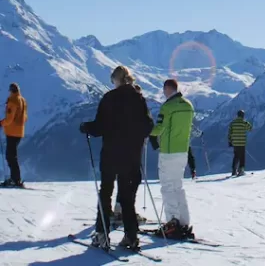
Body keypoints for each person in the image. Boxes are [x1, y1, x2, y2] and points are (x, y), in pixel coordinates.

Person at [79, 66, 153, 250]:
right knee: (127, 197)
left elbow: (99, 126)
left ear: (116, 79)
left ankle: (102, 234)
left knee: (106, 192)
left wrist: (86, 127)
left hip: (111, 153)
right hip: (131, 154)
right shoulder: (139, 98)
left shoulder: (109, 98)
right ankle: (131, 236)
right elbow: (147, 125)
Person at [150, 78, 195, 239]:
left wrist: (147, 130)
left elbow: (159, 129)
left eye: (164, 90)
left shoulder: (167, 107)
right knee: (178, 187)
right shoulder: (189, 106)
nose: (163, 93)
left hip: (168, 152)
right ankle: (184, 221)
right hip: (182, 151)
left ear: (167, 89)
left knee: (167, 187)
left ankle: (172, 222)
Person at [0, 83, 28, 188]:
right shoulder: (22, 100)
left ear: (11, 90)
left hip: (12, 132)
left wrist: (1, 123)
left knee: (10, 156)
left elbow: (9, 119)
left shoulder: (13, 101)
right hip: (19, 131)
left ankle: (15, 179)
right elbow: (25, 117)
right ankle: (15, 178)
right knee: (12, 156)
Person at [228, 110, 252, 176]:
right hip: (242, 143)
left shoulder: (232, 123)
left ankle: (234, 170)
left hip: (235, 143)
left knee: (236, 156)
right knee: (242, 157)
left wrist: (230, 141)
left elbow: (229, 133)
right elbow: (250, 128)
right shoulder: (244, 123)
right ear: (243, 116)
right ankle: (241, 170)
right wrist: (246, 122)